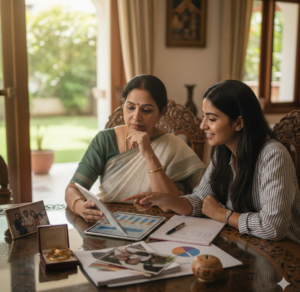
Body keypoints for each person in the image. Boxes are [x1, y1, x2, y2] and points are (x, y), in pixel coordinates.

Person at [123, 80, 300, 243]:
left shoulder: (273, 156)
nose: (203, 125)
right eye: (204, 116)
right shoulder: (223, 152)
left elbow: (273, 228)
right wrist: (162, 199)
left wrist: (222, 214)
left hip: (285, 252)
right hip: (245, 241)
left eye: (212, 119)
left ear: (239, 122)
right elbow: (201, 201)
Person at [65, 74, 206, 223]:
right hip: (109, 222)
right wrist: (80, 207)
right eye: (130, 107)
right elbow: (73, 189)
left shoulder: (173, 147)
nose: (136, 117)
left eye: (146, 110)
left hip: (160, 225)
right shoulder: (105, 140)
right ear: (123, 106)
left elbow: (167, 207)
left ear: (162, 113)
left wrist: (149, 154)